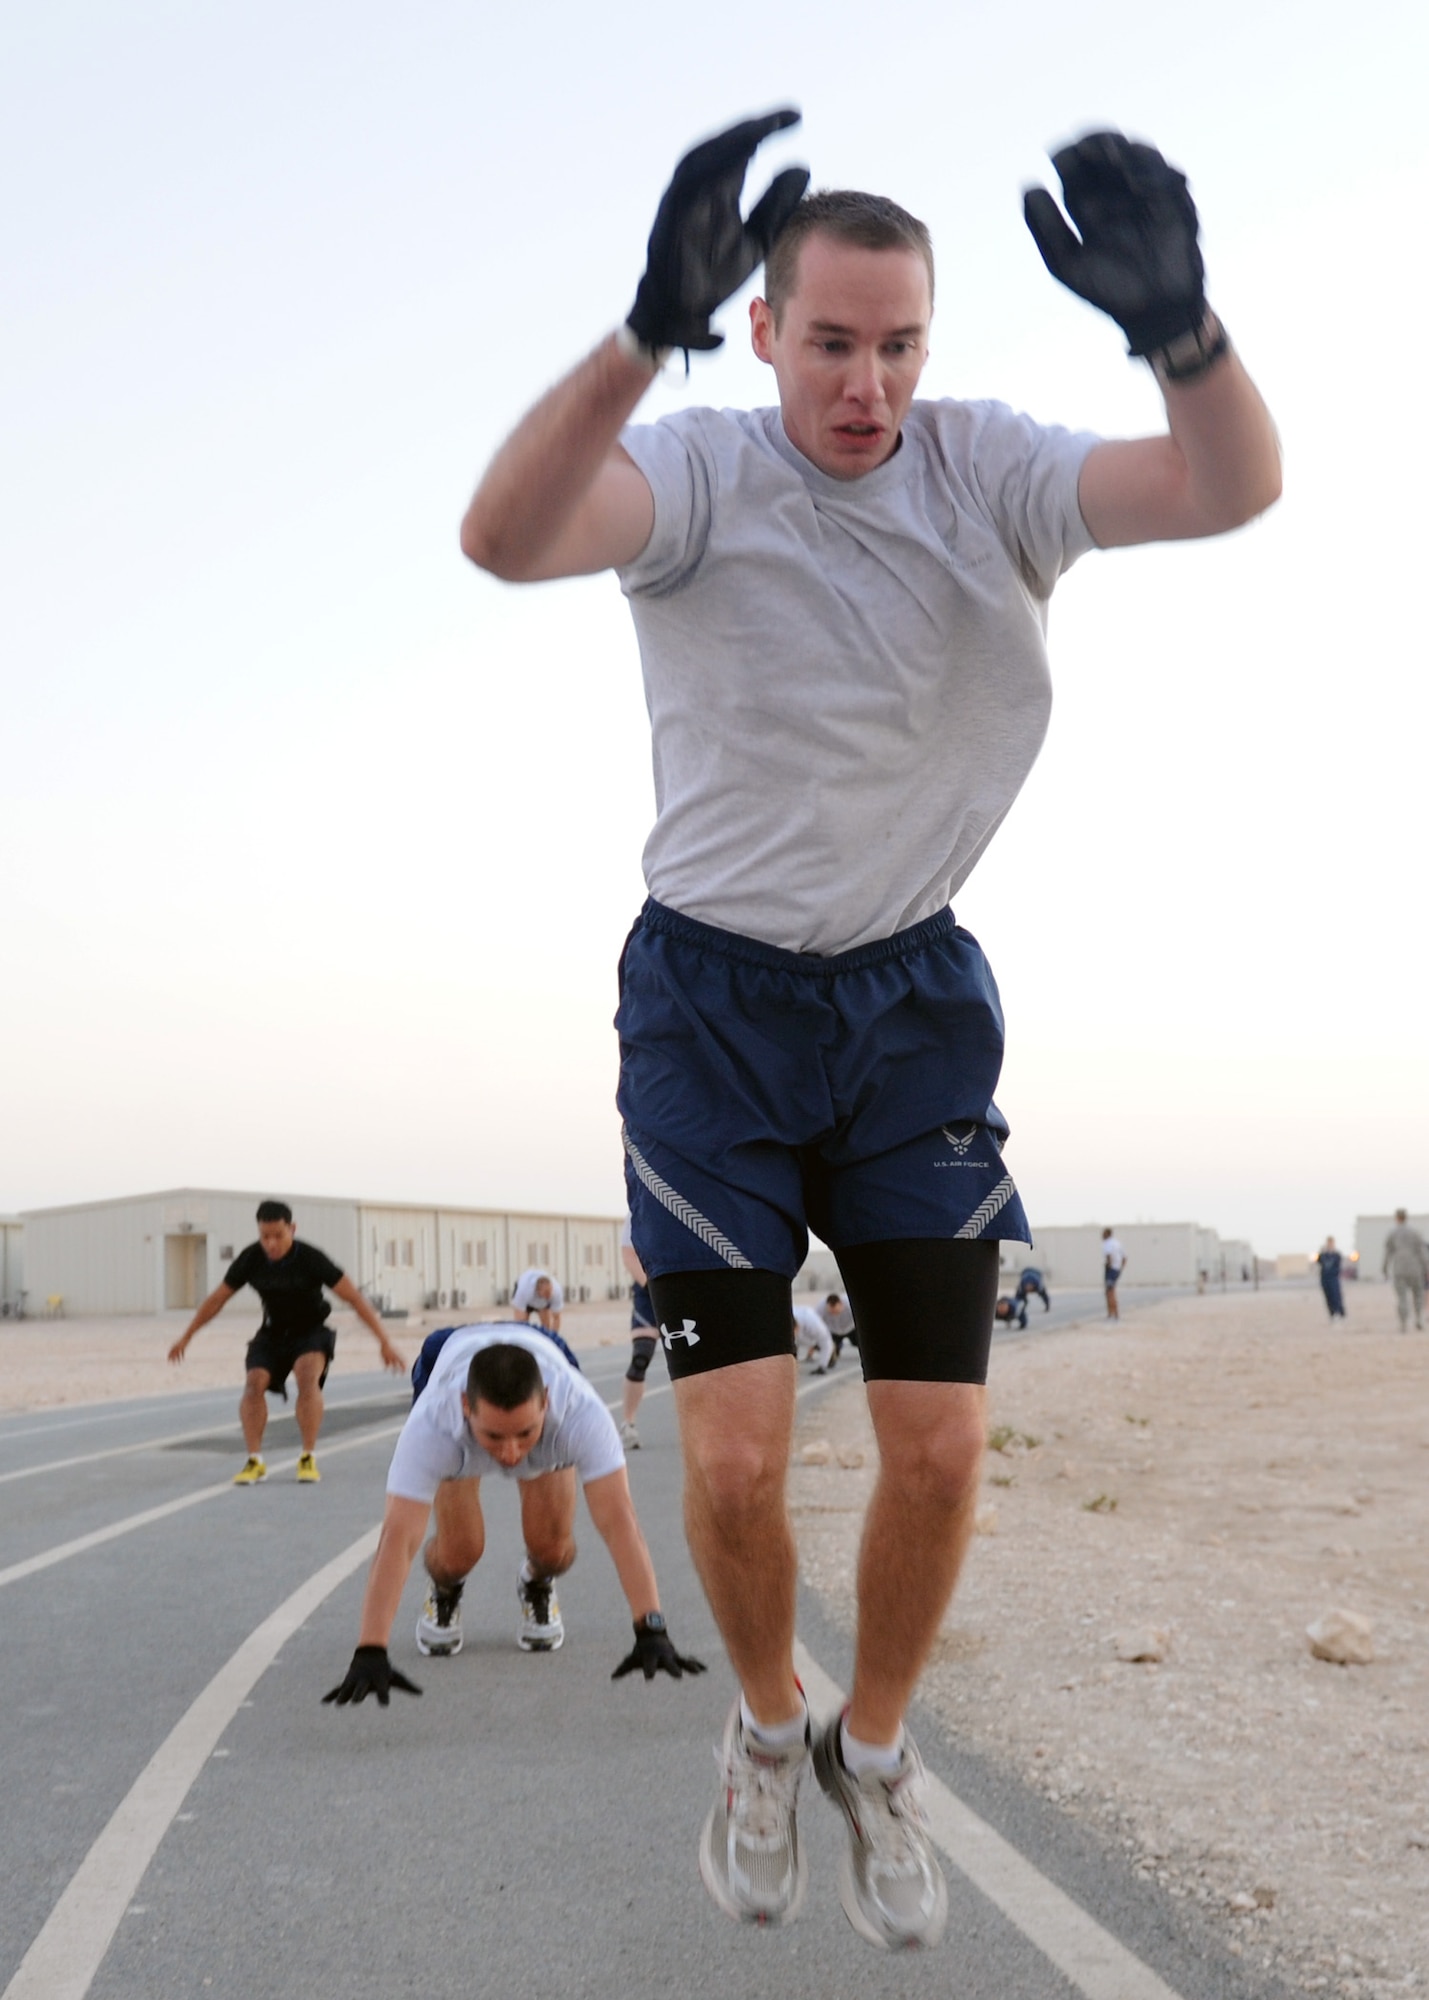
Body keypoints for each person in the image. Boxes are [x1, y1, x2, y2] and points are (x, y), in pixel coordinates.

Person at [459, 109, 1279, 1949]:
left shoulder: (985, 471)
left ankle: (873, 1754)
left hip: (908, 1002)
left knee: (932, 1451)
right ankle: (763, 1731)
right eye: (828, 342)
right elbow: (502, 537)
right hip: (707, 1010)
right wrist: (629, 336)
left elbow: (1223, 491)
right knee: (736, 1460)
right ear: (759, 332)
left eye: (897, 344)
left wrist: (1183, 333)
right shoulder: (691, 476)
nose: (864, 383)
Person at [322, 1323, 704, 1699]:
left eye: (525, 1434)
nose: (510, 1455)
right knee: (459, 1553)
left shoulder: (580, 1414)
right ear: (465, 1407)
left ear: (547, 1402)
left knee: (552, 1549)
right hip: (447, 1355)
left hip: (544, 1348)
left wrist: (651, 1627)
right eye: (494, 1437)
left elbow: (620, 1521)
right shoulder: (435, 1424)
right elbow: (399, 1537)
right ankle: (445, 1588)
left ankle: (536, 1583)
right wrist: (371, 1649)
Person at [167, 1199, 405, 1484]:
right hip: (272, 1334)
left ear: (292, 1228)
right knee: (254, 1383)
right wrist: (187, 1336)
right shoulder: (251, 1259)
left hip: (311, 1331)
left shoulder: (311, 1258)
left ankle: (307, 1456)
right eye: (265, 1236)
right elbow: (217, 1299)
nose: (271, 1244)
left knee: (307, 1377)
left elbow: (353, 1298)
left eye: (278, 1236)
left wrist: (384, 1341)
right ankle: (254, 1460)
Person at [620, 1218, 658, 1448]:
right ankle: (628, 1424)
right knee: (641, 1356)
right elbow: (628, 1254)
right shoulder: (638, 1209)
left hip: (683, 1286)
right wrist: (652, 1287)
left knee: (697, 1358)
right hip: (649, 1289)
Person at [1382, 1210, 1427, 1331]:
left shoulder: (1393, 1233)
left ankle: (1403, 1323)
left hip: (1399, 1269)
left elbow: (1388, 1253)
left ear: (1397, 1218)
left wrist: (1385, 1269)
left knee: (1402, 1297)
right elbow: (1422, 1252)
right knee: (1418, 1295)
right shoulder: (1415, 1232)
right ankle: (1418, 1318)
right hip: (1415, 1268)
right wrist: (1426, 1269)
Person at [793, 1302, 836, 1373]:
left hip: (814, 1338)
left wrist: (822, 1366)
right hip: (801, 1335)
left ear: (797, 1327)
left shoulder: (814, 1325)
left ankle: (832, 1352)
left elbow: (826, 1342)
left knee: (828, 1356)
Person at [816, 1291, 858, 1358]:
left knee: (858, 1342)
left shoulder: (850, 1304)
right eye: (831, 1312)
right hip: (834, 1330)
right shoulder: (821, 1308)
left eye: (836, 1312)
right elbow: (816, 1324)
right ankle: (836, 1347)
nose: (834, 1315)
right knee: (827, 1347)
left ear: (841, 1304)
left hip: (850, 1328)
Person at [1314, 1236, 1346, 1320]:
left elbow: (1338, 1265)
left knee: (1336, 1295)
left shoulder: (1336, 1255)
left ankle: (1339, 1312)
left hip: (1333, 1278)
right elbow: (1318, 1261)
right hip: (1325, 1278)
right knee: (1328, 1296)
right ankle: (1332, 1313)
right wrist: (1321, 1252)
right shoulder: (1323, 1255)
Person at [1102, 1228, 1127, 1320]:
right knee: (1111, 1290)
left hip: (1111, 1269)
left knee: (1109, 1292)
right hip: (1116, 1269)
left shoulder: (1107, 1243)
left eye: (1103, 1234)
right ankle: (1113, 1313)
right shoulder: (1118, 1243)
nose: (1102, 1236)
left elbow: (1108, 1256)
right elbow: (1124, 1257)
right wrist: (1120, 1269)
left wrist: (1108, 1266)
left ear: (1107, 1234)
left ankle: (1113, 1313)